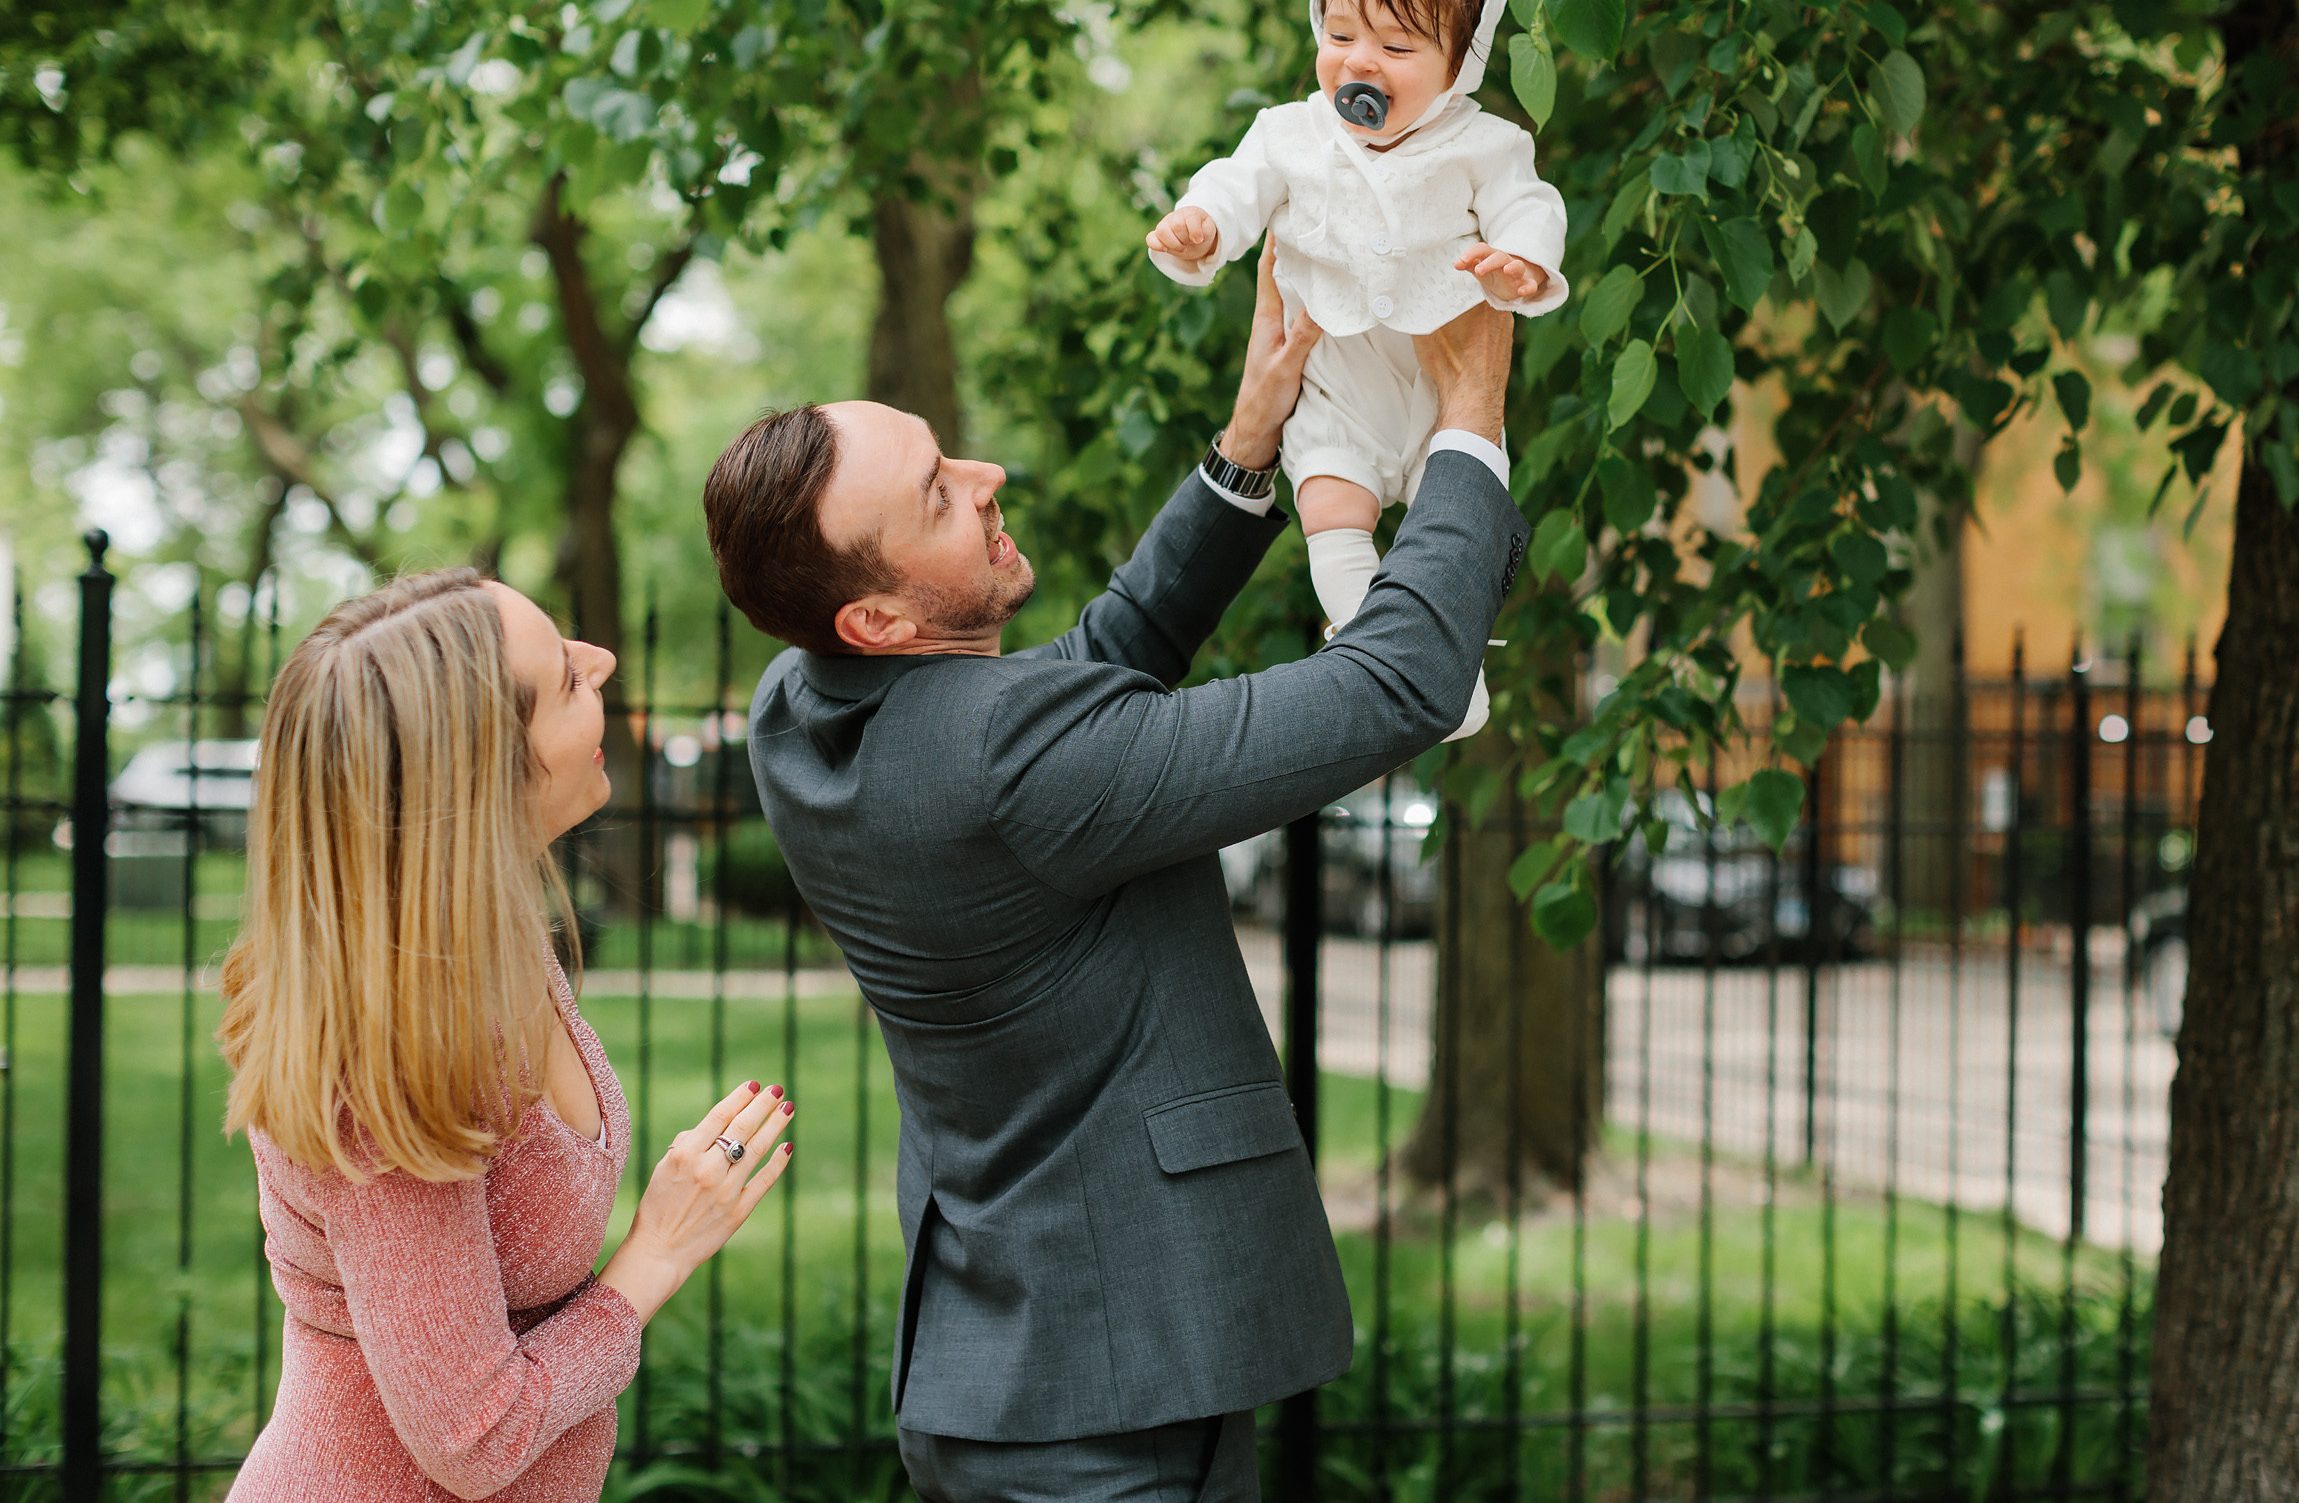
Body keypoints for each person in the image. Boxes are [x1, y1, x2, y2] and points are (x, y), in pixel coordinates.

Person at [700, 240, 1527, 1503]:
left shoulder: (800, 709)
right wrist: (1470, 421)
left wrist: (1248, 440)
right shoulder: (1008, 764)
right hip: (1108, 1412)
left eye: (947, 452)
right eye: (936, 495)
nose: (983, 478)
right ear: (878, 622)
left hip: (1022, 1371)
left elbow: (1089, 670)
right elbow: (1393, 684)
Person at [219, 569, 795, 1502]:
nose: (600, 660)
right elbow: (475, 1435)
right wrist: (657, 1250)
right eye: (566, 677)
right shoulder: (386, 1063)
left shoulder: (490, 936)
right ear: (486, 773)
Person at [1145, 0, 1569, 740]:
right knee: (1330, 514)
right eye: (1339, 33)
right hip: (1335, 382)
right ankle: (1385, 655)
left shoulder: (1485, 142)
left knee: (1461, 529)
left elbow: (1529, 204)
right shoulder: (1291, 132)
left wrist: (1521, 259)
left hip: (1437, 381)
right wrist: (1201, 224)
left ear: (1460, 65)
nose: (1359, 61)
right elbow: (1235, 185)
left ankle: (1453, 657)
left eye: (1397, 48)